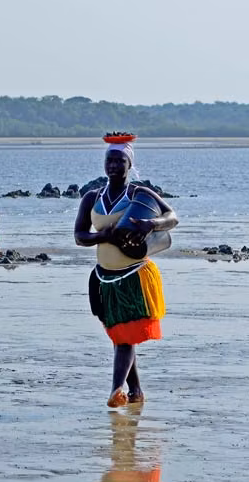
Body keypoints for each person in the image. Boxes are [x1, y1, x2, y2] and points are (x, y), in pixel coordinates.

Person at [74, 134, 177, 407]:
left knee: (125, 337)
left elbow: (172, 217)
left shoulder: (139, 194)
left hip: (133, 276)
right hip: (104, 277)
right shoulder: (92, 197)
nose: (113, 165)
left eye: (120, 161)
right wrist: (103, 236)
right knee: (119, 334)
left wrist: (151, 224)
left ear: (129, 164)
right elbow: (80, 236)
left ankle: (116, 390)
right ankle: (136, 392)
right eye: (110, 160)